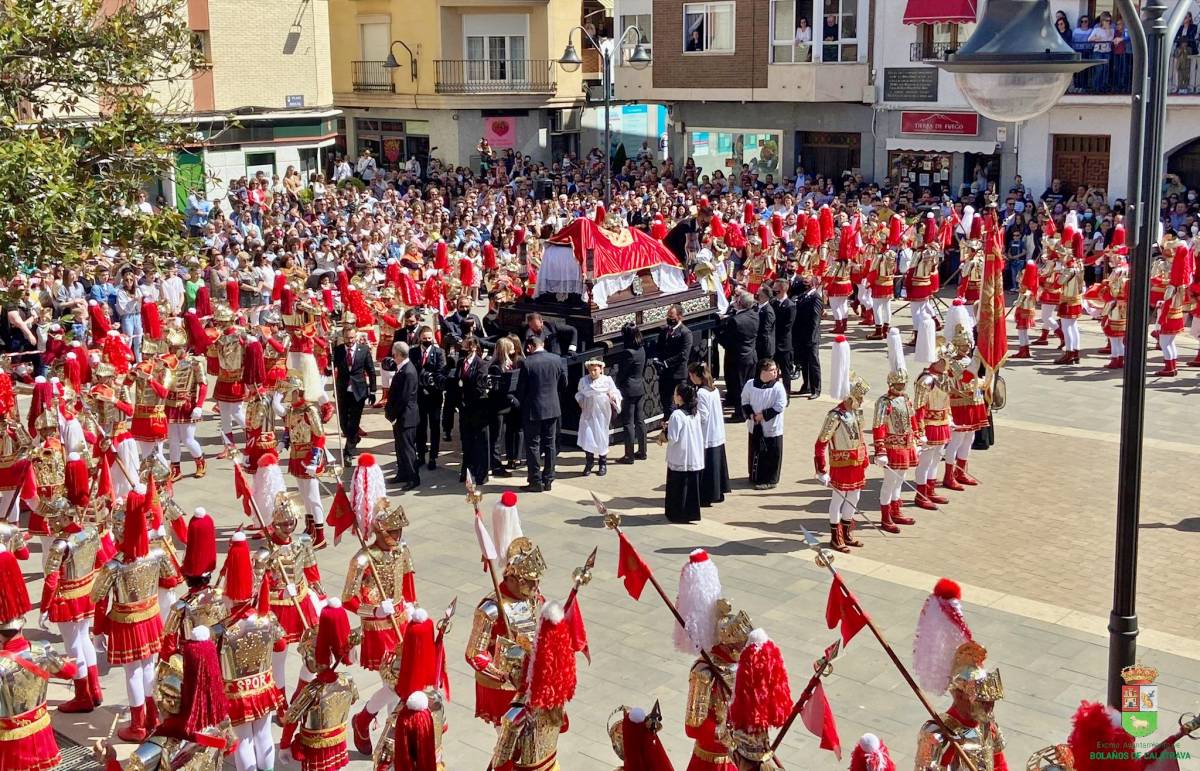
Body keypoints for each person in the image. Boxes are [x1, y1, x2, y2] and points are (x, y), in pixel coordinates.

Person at [814, 337, 870, 553]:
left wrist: (865, 458)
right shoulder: (835, 415)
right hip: (841, 463)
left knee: (855, 496)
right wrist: (821, 469)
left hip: (856, 461)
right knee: (838, 498)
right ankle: (835, 536)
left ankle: (847, 531)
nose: (862, 401)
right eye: (859, 398)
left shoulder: (856, 413)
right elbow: (821, 443)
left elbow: (861, 438)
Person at [871, 329, 919, 532]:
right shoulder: (884, 401)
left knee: (901, 478)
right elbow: (878, 425)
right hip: (891, 445)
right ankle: (885, 516)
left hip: (906, 443)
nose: (902, 385)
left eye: (903, 383)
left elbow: (912, 417)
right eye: (898, 383)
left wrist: (918, 435)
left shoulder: (906, 398)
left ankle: (896, 510)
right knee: (889, 482)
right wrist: (880, 450)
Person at [517, 335, 567, 492]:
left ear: (530, 347)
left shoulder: (527, 363)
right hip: (552, 408)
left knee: (533, 445)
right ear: (542, 344)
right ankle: (549, 479)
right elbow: (564, 383)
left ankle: (535, 480)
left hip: (533, 410)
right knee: (550, 444)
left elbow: (521, 390)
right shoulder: (556, 359)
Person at [741, 358, 787, 490]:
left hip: (771, 427)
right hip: (754, 425)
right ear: (763, 371)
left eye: (775, 370)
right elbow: (745, 400)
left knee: (772, 454)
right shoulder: (750, 384)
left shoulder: (778, 387)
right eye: (772, 370)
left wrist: (763, 415)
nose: (775, 373)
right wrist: (751, 414)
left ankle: (770, 480)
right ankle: (755, 476)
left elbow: (780, 405)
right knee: (756, 451)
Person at [333, 326, 377, 460]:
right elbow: (330, 369)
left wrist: (373, 390)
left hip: (359, 391)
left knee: (354, 422)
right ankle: (354, 438)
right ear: (343, 337)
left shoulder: (363, 350)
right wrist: (328, 362)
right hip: (342, 390)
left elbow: (371, 371)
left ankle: (348, 452)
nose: (350, 340)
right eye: (347, 338)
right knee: (343, 422)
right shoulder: (338, 350)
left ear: (356, 337)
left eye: (352, 338)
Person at [690, 362, 729, 506]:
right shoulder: (714, 389)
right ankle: (718, 492)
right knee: (716, 464)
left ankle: (707, 495)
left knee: (708, 466)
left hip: (707, 434)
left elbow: (703, 416)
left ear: (695, 376)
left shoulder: (701, 393)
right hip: (717, 431)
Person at [663, 383, 704, 523]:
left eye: (675, 394)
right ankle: (690, 513)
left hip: (680, 455)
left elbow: (673, 438)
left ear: (680, 398)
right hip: (693, 454)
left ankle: (677, 514)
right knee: (690, 486)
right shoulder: (695, 412)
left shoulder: (676, 415)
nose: (674, 397)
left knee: (677, 486)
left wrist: (666, 430)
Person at [575, 359, 621, 477]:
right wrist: (580, 400)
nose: (593, 372)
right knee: (588, 436)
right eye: (590, 370)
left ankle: (602, 463)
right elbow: (579, 393)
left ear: (601, 369)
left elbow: (615, 393)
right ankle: (589, 462)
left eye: (595, 370)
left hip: (602, 412)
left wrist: (613, 396)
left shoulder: (607, 381)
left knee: (601, 436)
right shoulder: (584, 381)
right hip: (588, 412)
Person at [385, 341, 420, 490]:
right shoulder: (402, 369)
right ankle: (403, 473)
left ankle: (413, 477)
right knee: (399, 447)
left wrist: (393, 414)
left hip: (406, 416)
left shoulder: (408, 372)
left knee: (407, 449)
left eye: (394, 355)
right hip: (400, 416)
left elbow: (404, 398)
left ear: (398, 355)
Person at [412, 324, 446, 470]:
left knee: (434, 426)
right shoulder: (413, 352)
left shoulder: (439, 352)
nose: (427, 340)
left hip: (434, 395)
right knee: (420, 426)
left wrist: (430, 381)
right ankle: (420, 455)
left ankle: (433, 456)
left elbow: (441, 371)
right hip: (419, 395)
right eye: (424, 338)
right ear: (419, 338)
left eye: (429, 338)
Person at [719, 290, 759, 409]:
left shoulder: (735, 320)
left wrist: (718, 330)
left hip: (738, 358)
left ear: (740, 302)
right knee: (747, 385)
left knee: (739, 386)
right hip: (750, 355)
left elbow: (727, 341)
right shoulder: (754, 315)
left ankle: (740, 413)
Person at [614, 325, 647, 464]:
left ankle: (629, 455)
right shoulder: (641, 349)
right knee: (640, 420)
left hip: (628, 389)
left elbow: (622, 372)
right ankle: (642, 451)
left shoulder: (628, 352)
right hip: (639, 386)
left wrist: (616, 385)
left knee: (628, 422)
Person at [792, 275, 823, 397]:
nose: (803, 284)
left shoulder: (816, 298)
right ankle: (806, 385)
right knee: (804, 362)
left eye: (806, 282)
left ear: (813, 284)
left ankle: (816, 389)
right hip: (801, 335)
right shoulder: (803, 296)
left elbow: (815, 319)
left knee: (813, 363)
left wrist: (812, 337)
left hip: (811, 337)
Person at [754, 286, 776, 361]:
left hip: (764, 349)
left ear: (766, 297)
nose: (756, 295)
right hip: (757, 346)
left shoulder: (768, 311)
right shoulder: (757, 307)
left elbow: (765, 332)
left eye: (759, 294)